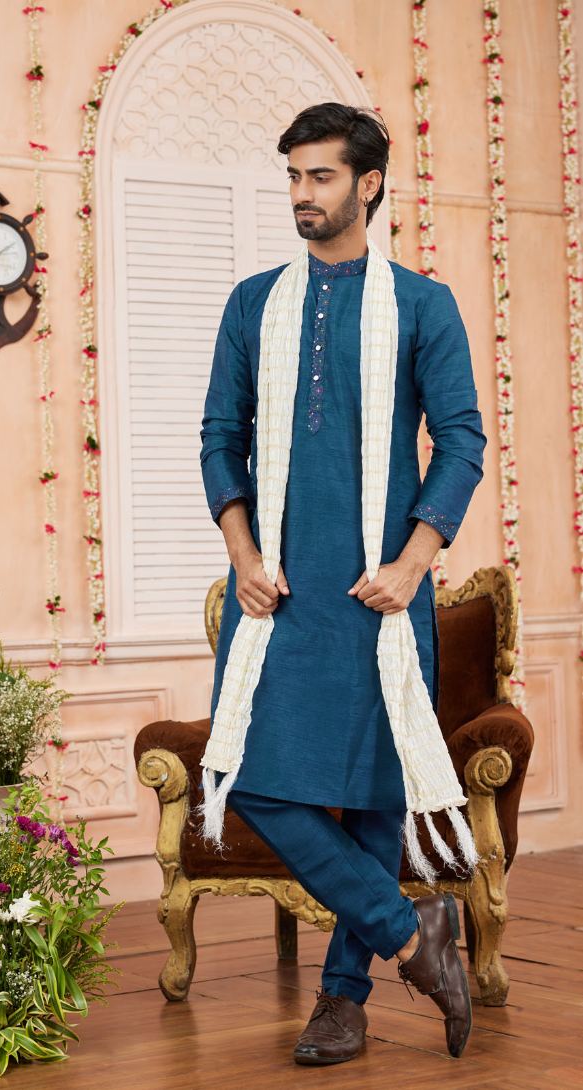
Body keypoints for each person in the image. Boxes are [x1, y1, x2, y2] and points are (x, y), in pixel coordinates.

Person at [198, 102, 487, 1065]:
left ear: (367, 183)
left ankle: (339, 1000)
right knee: (248, 778)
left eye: (318, 177)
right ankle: (414, 935)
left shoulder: (421, 304)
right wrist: (242, 556)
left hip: (380, 593)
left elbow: (462, 441)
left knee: (368, 800)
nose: (299, 196)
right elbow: (218, 440)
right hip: (277, 594)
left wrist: (411, 566)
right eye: (291, 177)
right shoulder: (253, 304)